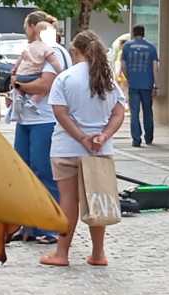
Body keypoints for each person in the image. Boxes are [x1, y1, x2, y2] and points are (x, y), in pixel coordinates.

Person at [39, 30, 126, 267]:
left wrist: (81, 137)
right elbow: (119, 112)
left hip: (67, 148)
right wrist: (103, 135)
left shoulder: (65, 78)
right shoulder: (108, 81)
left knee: (68, 199)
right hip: (100, 149)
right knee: (97, 198)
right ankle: (98, 253)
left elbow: (60, 112)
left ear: (75, 51)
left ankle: (62, 253)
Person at [7, 11, 72, 244]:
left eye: (26, 28)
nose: (26, 33)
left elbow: (44, 84)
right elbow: (21, 76)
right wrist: (15, 90)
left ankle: (48, 227)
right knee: (24, 172)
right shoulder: (32, 48)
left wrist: (20, 86)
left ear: (34, 26)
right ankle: (27, 225)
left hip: (45, 120)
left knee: (44, 172)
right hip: (26, 120)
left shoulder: (53, 50)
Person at [10, 21, 63, 116]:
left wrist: (14, 70)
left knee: (21, 87)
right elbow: (53, 62)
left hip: (20, 74)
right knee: (42, 92)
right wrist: (61, 72)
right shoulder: (47, 48)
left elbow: (20, 59)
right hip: (33, 75)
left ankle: (19, 97)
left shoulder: (28, 47)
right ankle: (32, 102)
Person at [121, 25, 159, 147]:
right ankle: (149, 137)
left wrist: (129, 77)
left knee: (134, 111)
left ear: (133, 33)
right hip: (147, 84)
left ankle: (136, 139)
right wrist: (156, 85)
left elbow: (123, 66)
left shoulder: (127, 47)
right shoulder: (151, 47)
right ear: (144, 34)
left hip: (134, 84)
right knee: (148, 111)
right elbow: (155, 68)